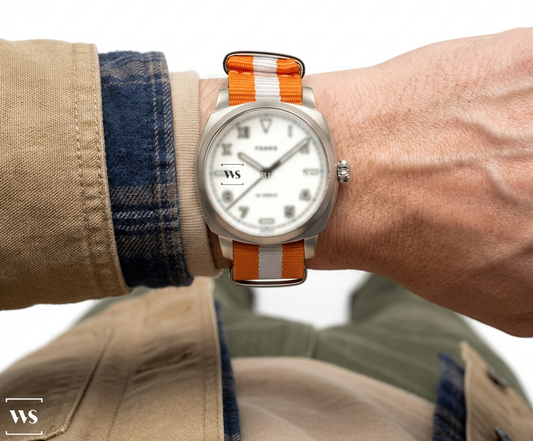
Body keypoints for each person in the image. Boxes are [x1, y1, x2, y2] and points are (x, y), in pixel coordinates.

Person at [0, 30, 532, 440]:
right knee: (421, 294)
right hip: (441, 385)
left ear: (338, 172)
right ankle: (388, 258)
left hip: (128, 365)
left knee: (185, 282)